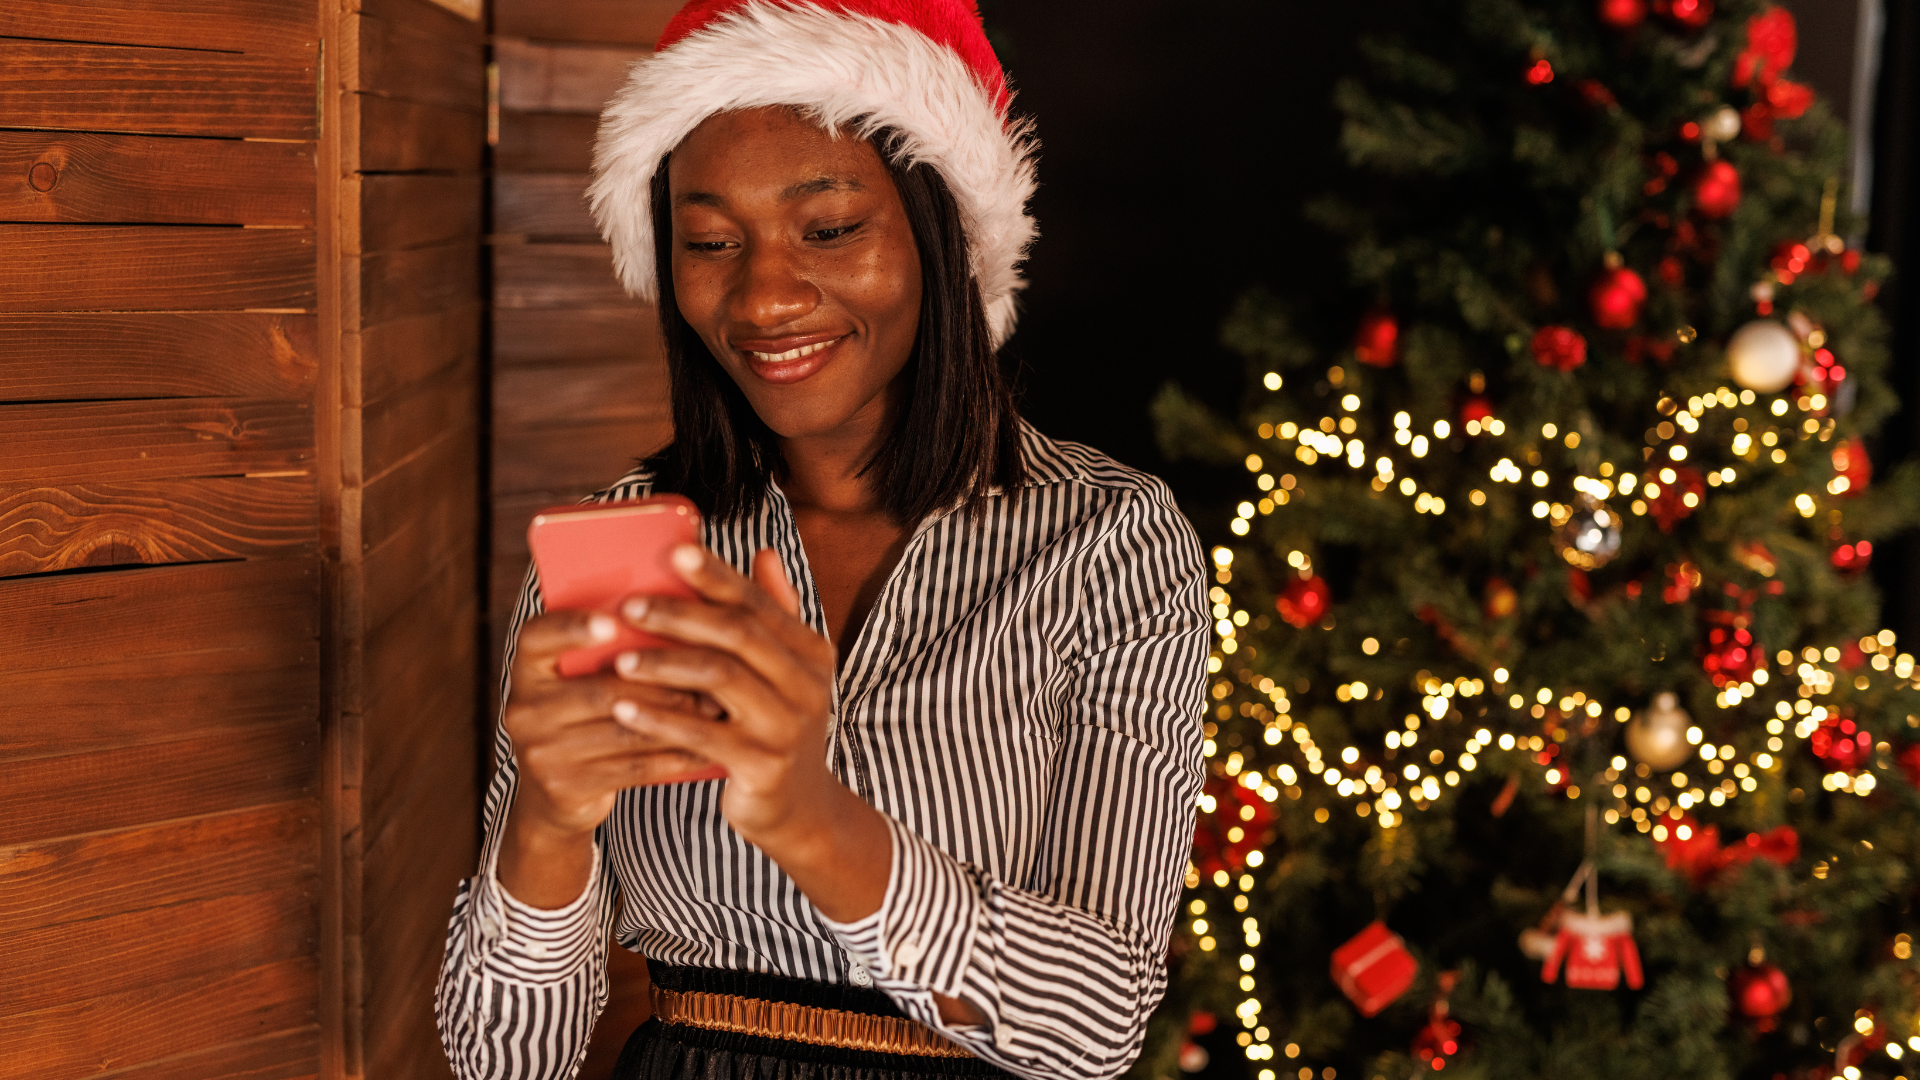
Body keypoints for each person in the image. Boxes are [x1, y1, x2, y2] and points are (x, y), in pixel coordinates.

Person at [434, 2, 1209, 1078]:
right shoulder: (623, 549)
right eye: (711, 243)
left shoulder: (1107, 543)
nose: (763, 297)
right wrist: (548, 825)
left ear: (943, 233)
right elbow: (500, 1060)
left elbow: (1098, 1028)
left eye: (830, 228)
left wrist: (808, 818)